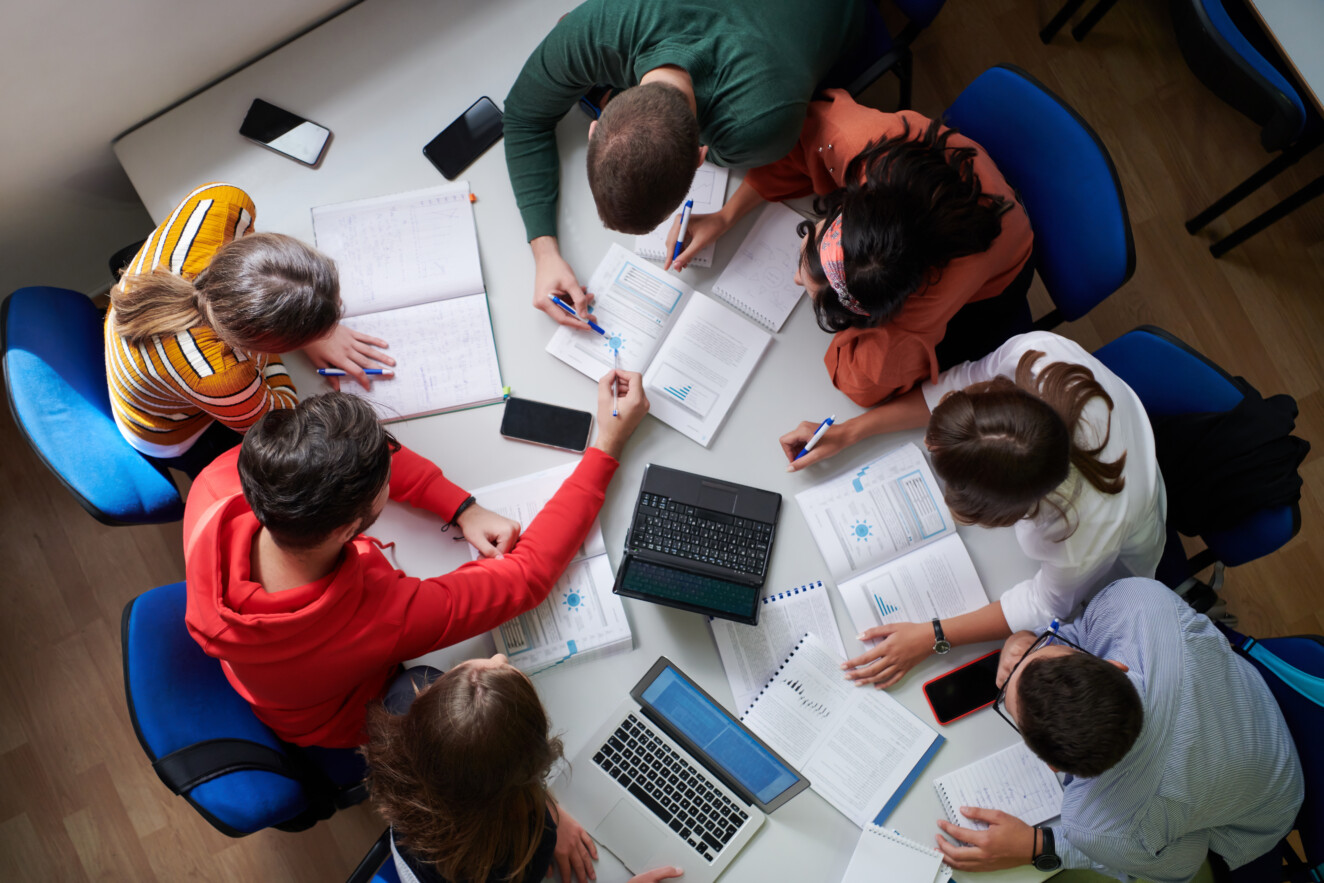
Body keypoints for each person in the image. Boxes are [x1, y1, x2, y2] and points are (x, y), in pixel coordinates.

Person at [183, 371, 649, 748]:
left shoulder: (218, 484)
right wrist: (607, 446)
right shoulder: (376, 618)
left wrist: (462, 507)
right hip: (343, 715)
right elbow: (523, 578)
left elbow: (346, 454)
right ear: (350, 529)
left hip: (270, 680)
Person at [783, 331, 1166, 688]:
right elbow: (956, 385)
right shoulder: (1033, 354)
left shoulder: (1082, 532)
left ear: (1008, 512)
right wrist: (852, 431)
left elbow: (1045, 604)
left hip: (1118, 562)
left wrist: (934, 635)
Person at [503, 0, 863, 330]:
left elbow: (792, 160)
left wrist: (726, 216)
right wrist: (544, 251)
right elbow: (521, 117)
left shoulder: (755, 125)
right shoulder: (599, 25)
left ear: (703, 157)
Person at [666, 91, 1034, 406]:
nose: (795, 278)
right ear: (846, 209)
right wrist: (727, 215)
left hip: (996, 278)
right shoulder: (856, 141)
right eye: (806, 253)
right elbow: (795, 144)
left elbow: (864, 383)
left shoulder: (935, 289)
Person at [934, 577, 1303, 883]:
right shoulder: (1140, 601)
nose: (1017, 663)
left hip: (1262, 812)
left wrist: (1040, 846)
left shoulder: (1100, 827)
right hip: (1249, 710)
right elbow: (1080, 632)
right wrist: (1023, 642)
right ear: (1114, 666)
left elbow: (1186, 860)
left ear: (1054, 768)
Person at [106, 182, 393, 473]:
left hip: (136, 347)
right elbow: (279, 418)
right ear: (258, 345)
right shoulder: (222, 376)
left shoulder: (222, 203)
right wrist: (304, 336)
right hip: (165, 428)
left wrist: (306, 328)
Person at [364, 656, 684, 883]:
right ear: (532, 769)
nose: (499, 656)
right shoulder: (521, 855)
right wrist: (546, 818)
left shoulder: (402, 702)